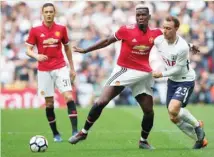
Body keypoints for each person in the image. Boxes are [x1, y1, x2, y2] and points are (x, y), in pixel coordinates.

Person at [69, 4, 163, 149]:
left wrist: (189, 45)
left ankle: (143, 141)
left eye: (143, 15)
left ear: (149, 17)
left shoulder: (156, 33)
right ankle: (83, 132)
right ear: (135, 17)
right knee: (101, 101)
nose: (140, 17)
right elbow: (107, 41)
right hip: (124, 70)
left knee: (149, 111)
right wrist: (86, 50)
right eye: (138, 15)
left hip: (143, 74)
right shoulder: (126, 30)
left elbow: (172, 42)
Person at [152, 16, 208, 149]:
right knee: (173, 117)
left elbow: (178, 69)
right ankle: (200, 139)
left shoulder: (181, 47)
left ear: (176, 29)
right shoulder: (159, 40)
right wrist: (190, 45)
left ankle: (196, 125)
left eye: (168, 28)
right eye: (164, 28)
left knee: (173, 109)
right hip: (172, 81)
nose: (165, 31)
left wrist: (161, 74)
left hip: (185, 80)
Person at [25, 3, 78, 142]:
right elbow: (28, 49)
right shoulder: (35, 30)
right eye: (46, 12)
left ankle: (75, 131)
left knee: (69, 97)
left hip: (60, 68)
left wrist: (72, 68)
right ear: (42, 13)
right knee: (49, 104)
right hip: (44, 70)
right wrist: (37, 56)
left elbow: (67, 48)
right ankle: (55, 134)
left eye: (51, 12)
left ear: (55, 13)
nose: (49, 14)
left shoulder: (61, 29)